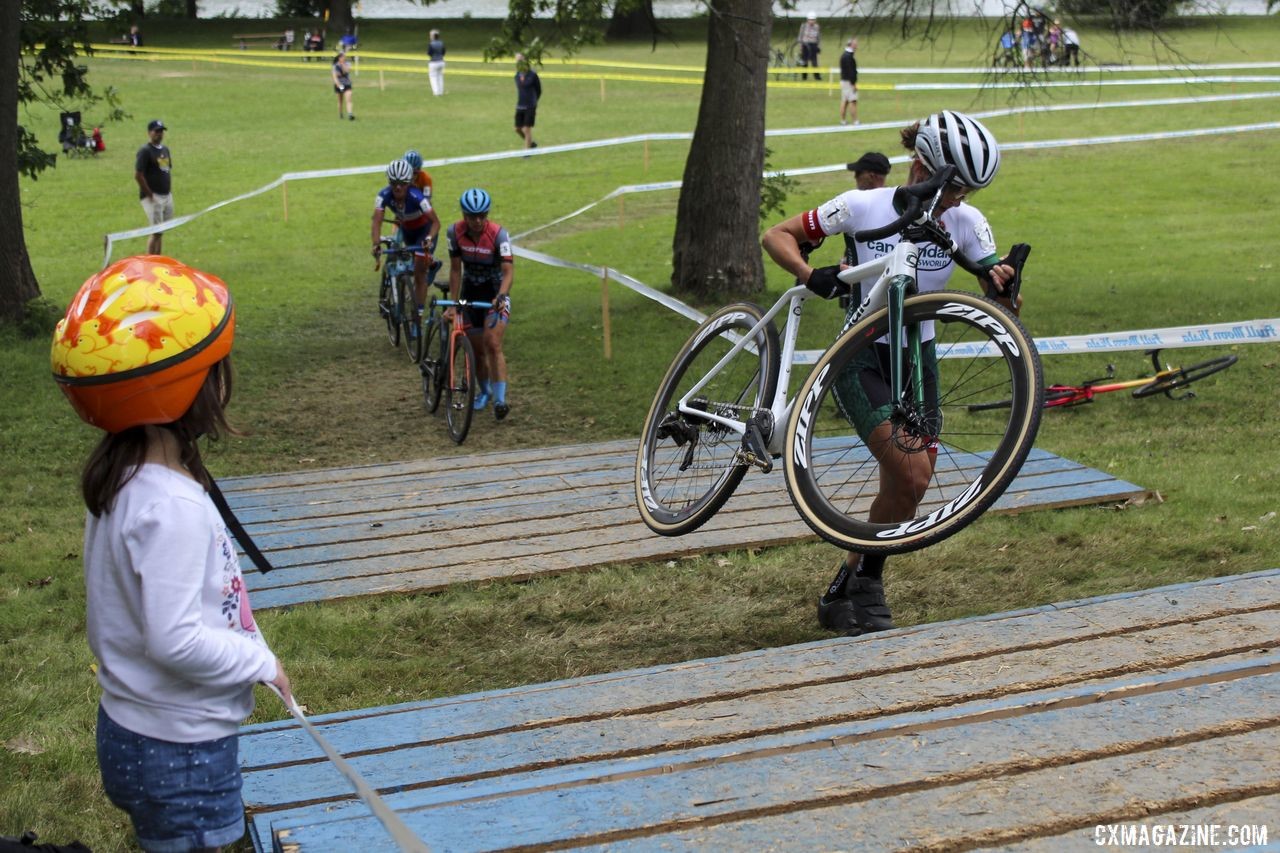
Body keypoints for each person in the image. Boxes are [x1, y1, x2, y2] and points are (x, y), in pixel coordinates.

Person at [50, 255, 294, 853]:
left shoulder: (124, 476)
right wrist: (258, 664)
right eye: (215, 369)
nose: (222, 381)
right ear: (185, 386)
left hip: (141, 730)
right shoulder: (171, 508)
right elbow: (175, 640)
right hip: (179, 751)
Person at [761, 110, 1020, 637]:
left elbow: (1001, 290)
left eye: (969, 192)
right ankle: (871, 584)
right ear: (923, 163)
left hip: (918, 361)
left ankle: (843, 588)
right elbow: (776, 236)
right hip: (862, 356)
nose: (958, 201)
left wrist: (1004, 285)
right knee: (912, 472)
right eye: (954, 187)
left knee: (907, 490)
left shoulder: (967, 222)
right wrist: (813, 275)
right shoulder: (862, 205)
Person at [445, 188, 514, 419]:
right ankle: (484, 392)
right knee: (477, 350)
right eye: (472, 216)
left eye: (482, 215)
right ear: (464, 215)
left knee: (493, 343)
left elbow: (508, 272)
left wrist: (501, 296)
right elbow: (455, 270)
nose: (477, 221)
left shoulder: (499, 235)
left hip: (495, 293)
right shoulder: (454, 233)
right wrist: (454, 304)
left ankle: (500, 400)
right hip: (470, 292)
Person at [371, 159, 441, 337]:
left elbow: (436, 223)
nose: (398, 188)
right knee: (398, 255)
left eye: (402, 184)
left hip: (424, 233)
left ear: (409, 182)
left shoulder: (417, 197)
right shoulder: (383, 196)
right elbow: (377, 220)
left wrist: (428, 238)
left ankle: (417, 319)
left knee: (419, 273)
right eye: (393, 183)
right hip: (406, 231)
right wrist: (376, 243)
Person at [134, 119, 173, 256]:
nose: (159, 134)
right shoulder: (145, 151)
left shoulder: (165, 150)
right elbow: (138, 175)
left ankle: (158, 259)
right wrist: (150, 195)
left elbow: (166, 170)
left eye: (161, 131)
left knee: (161, 231)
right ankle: (150, 262)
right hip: (153, 196)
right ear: (149, 133)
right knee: (156, 231)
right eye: (156, 131)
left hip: (166, 195)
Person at [513, 53, 542, 151]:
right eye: (517, 60)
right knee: (517, 129)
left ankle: (526, 152)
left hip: (530, 105)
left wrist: (534, 103)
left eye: (520, 59)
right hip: (520, 105)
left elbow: (538, 90)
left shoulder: (533, 75)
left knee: (526, 129)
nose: (518, 62)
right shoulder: (517, 75)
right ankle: (531, 144)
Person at [839, 38, 859, 125]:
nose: (857, 46)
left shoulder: (845, 55)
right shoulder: (848, 57)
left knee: (845, 101)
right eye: (855, 44)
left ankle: (843, 120)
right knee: (852, 101)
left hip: (844, 81)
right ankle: (855, 121)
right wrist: (853, 83)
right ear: (851, 45)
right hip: (848, 82)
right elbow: (851, 71)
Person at [797, 13, 821, 81]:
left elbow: (818, 37)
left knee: (814, 62)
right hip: (805, 45)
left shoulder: (817, 27)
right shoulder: (803, 26)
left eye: (813, 20)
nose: (812, 21)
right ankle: (804, 77)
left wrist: (818, 46)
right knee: (805, 62)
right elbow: (800, 36)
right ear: (807, 20)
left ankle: (817, 77)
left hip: (813, 45)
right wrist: (800, 46)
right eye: (810, 19)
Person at [332, 48, 355, 120]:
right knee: (340, 100)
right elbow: (335, 77)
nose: (344, 58)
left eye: (344, 57)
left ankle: (350, 114)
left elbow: (346, 71)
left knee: (349, 99)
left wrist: (342, 64)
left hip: (347, 84)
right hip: (339, 84)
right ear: (339, 58)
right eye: (342, 57)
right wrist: (338, 85)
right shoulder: (335, 66)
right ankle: (340, 114)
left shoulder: (347, 64)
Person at [427, 29, 446, 96]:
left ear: (433, 36)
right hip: (441, 61)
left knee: (433, 77)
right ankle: (440, 91)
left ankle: (436, 92)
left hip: (434, 62)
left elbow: (429, 53)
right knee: (440, 76)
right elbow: (443, 52)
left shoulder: (431, 44)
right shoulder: (441, 43)